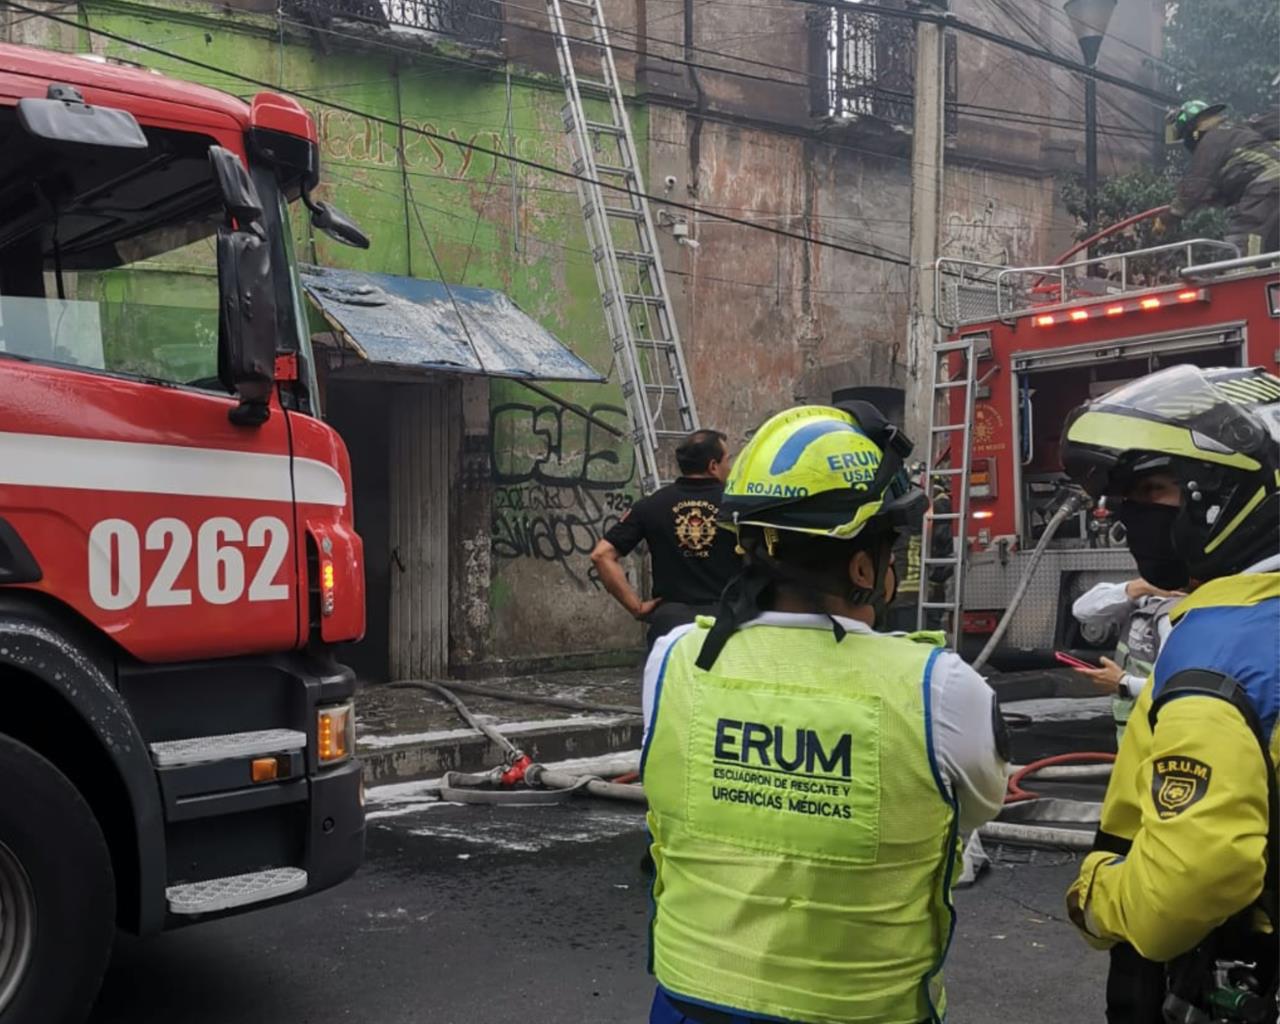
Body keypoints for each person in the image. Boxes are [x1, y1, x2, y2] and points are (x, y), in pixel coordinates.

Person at [641, 403, 1008, 1024]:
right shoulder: (942, 691)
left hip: (686, 1002)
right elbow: (970, 814)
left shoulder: (676, 660)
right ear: (863, 566)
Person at [1058, 364, 1280, 1024]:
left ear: (1228, 490)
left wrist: (1099, 898)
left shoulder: (1219, 654)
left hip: (1227, 976)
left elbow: (1193, 880)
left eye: (1152, 489)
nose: (1125, 515)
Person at [591, 429, 740, 649]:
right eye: (728, 460)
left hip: (671, 628)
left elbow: (601, 555)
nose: (730, 466)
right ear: (713, 466)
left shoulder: (651, 505)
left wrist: (637, 608)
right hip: (727, 624)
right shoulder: (738, 506)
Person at [1156, 100, 1280, 256]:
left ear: (1193, 132)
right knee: (1272, 240)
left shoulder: (1211, 140)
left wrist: (1169, 217)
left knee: (1243, 235)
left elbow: (1195, 186)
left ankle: (1244, 273)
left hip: (1268, 186)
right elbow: (1221, 186)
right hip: (1269, 187)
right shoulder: (1237, 131)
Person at [1070, 577, 1181, 745]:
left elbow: (1180, 688)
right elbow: (1081, 610)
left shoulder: (1175, 618)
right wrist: (1142, 586)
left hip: (1162, 738)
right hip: (1133, 739)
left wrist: (1123, 683)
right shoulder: (1145, 598)